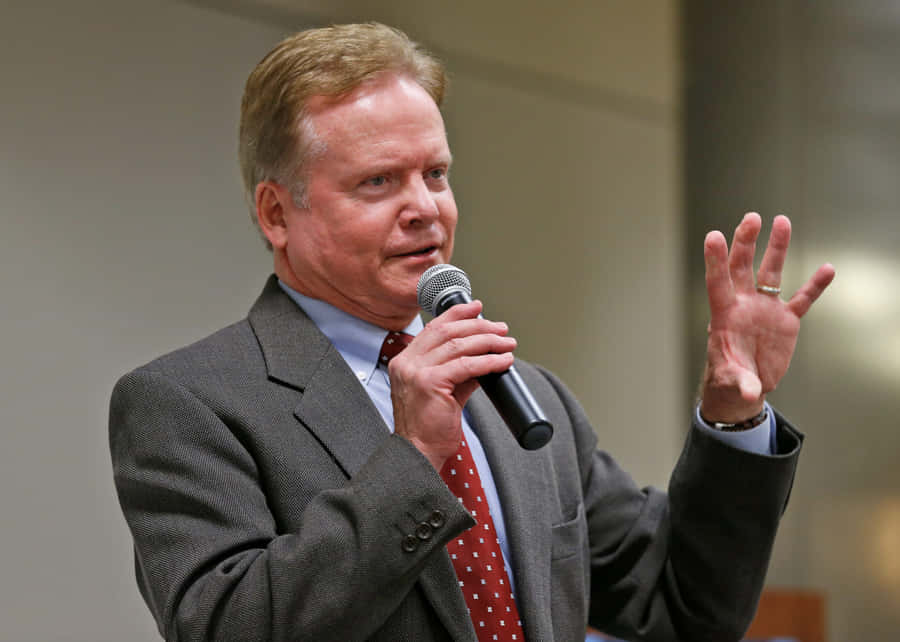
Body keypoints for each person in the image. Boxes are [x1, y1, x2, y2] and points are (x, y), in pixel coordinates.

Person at [109, 22, 835, 642]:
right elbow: (226, 626)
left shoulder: (522, 396)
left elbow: (683, 609)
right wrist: (415, 457)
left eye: (436, 174)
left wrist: (731, 415)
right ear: (276, 213)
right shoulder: (186, 403)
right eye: (378, 182)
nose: (425, 208)